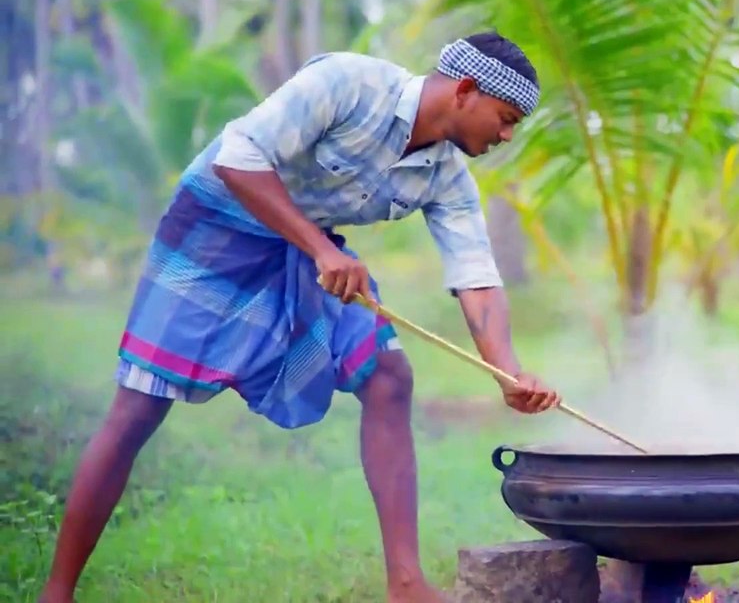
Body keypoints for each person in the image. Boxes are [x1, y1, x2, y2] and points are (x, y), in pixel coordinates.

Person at [39, 32, 563, 603]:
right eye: (505, 119)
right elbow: (237, 157)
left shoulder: (447, 178)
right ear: (464, 90)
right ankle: (57, 592)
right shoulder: (347, 82)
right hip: (216, 229)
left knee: (389, 377)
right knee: (139, 407)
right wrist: (320, 249)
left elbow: (476, 274)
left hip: (303, 251)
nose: (506, 136)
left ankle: (407, 585)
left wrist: (507, 372)